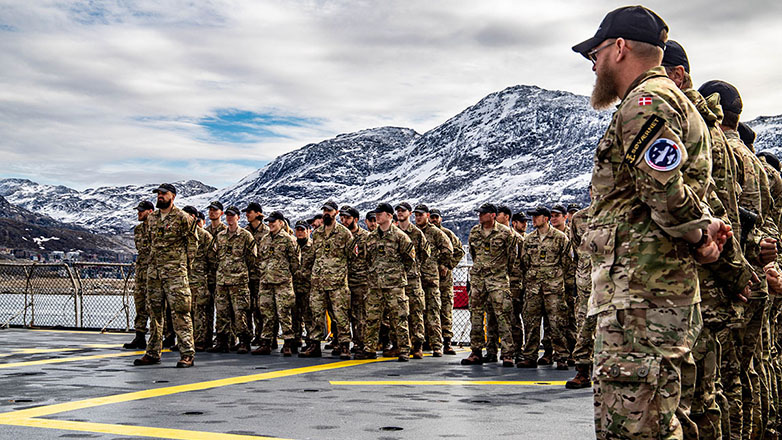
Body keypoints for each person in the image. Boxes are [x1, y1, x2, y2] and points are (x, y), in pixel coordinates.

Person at [572, 6, 731, 437]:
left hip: (641, 297)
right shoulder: (668, 101)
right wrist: (701, 229)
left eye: (596, 53)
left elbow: (664, 190)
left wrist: (698, 235)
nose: (593, 64)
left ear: (620, 47)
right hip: (655, 294)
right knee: (663, 419)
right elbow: (674, 186)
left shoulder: (646, 103)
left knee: (636, 427)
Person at [133, 183, 198, 368]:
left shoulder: (183, 218)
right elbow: (148, 243)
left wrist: (184, 266)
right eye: (158, 194)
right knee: (155, 314)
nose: (160, 196)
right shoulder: (152, 218)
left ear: (173, 196)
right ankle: (153, 352)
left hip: (175, 274)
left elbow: (193, 244)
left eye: (164, 193)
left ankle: (187, 353)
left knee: (181, 313)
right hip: (154, 273)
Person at [355, 202, 415, 362]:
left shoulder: (400, 236)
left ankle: (404, 349)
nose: (377, 216)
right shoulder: (371, 238)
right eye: (376, 213)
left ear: (389, 215)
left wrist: (396, 274)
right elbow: (367, 258)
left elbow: (409, 260)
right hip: (375, 285)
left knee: (399, 318)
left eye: (380, 213)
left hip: (394, 285)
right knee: (372, 318)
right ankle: (370, 349)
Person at [517, 205, 571, 370]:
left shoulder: (560, 238)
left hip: (554, 288)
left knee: (557, 323)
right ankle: (530, 356)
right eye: (533, 216)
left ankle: (561, 356)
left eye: (537, 216)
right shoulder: (529, 240)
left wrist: (558, 279)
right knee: (531, 323)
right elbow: (524, 262)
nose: (533, 219)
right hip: (533, 288)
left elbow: (567, 262)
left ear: (545, 219)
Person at [462, 203, 517, 367]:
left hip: (497, 280)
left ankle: (507, 353)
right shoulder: (474, 232)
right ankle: (476, 351)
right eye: (479, 213)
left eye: (483, 213)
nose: (480, 216)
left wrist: (500, 271)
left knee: (503, 316)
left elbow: (512, 257)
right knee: (476, 316)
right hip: (478, 280)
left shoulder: (505, 233)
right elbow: (473, 253)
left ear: (493, 215)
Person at [299, 201, 353, 358]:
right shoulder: (317, 234)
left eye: (329, 211)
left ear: (336, 212)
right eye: (324, 211)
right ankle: (315, 345)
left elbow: (352, 258)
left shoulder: (344, 234)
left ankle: (344, 345)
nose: (326, 214)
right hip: (318, 282)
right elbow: (311, 257)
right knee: (316, 314)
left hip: (337, 283)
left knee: (340, 316)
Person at [209, 206, 256, 354]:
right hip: (222, 281)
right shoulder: (220, 236)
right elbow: (214, 256)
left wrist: (242, 272)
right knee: (222, 312)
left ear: (238, 217)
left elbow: (252, 259)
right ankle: (222, 341)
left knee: (240, 313)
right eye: (228, 215)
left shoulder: (245, 236)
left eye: (232, 215)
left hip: (239, 281)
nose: (229, 218)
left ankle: (244, 341)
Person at [254, 211, 300, 356]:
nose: (270, 224)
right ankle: (266, 342)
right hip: (266, 283)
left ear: (281, 222)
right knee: (267, 314)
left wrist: (286, 276)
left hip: (282, 283)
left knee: (284, 313)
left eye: (273, 221)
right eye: (269, 221)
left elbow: (295, 262)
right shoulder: (265, 239)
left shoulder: (288, 240)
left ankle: (288, 343)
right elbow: (260, 258)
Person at [414, 204, 454, 357]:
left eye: (421, 215)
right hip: (417, 279)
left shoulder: (436, 233)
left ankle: (438, 345)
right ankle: (420, 343)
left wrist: (443, 265)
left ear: (427, 216)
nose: (418, 217)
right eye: (416, 215)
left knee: (434, 312)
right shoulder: (414, 232)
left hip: (431, 279)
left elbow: (449, 249)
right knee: (418, 313)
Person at [395, 202, 429, 359]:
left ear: (409, 213)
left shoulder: (416, 233)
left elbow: (425, 253)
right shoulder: (393, 232)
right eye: (398, 211)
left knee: (416, 312)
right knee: (399, 314)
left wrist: (414, 267)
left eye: (403, 211)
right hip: (397, 280)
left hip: (412, 279)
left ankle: (417, 345)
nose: (400, 213)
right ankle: (401, 344)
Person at [430, 208, 465, 355]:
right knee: (429, 310)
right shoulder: (424, 233)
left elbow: (459, 251)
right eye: (432, 217)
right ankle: (430, 341)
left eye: (436, 217)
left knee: (445, 310)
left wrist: (447, 265)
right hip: (428, 278)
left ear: (440, 219)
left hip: (444, 280)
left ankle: (447, 342)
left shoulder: (447, 234)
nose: (434, 220)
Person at [182, 206, 213, 353]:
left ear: (193, 217)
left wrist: (207, 277)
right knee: (185, 312)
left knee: (200, 312)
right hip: (184, 279)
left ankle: (201, 341)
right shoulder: (181, 235)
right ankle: (186, 341)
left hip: (200, 280)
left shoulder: (204, 236)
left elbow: (213, 259)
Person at [124, 200, 154, 350]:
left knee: (154, 306)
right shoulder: (138, 230)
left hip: (154, 271)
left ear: (150, 211)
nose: (139, 213)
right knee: (140, 304)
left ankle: (159, 337)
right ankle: (140, 335)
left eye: (142, 211)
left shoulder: (157, 227)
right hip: (142, 271)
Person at [340, 205, 370, 353]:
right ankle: (342, 342)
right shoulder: (340, 235)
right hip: (341, 281)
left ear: (356, 219)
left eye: (348, 218)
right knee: (342, 314)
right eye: (342, 218)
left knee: (359, 315)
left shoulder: (365, 237)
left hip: (359, 281)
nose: (344, 221)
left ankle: (360, 343)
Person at [244, 202, 270, 346]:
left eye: (250, 212)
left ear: (258, 214)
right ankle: (248, 335)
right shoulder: (245, 232)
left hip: (262, 275)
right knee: (247, 307)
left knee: (262, 308)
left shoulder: (267, 232)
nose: (247, 214)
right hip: (247, 275)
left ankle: (263, 335)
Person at [204, 200, 227, 348]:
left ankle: (223, 339)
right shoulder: (206, 232)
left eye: (215, 210)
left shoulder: (226, 231)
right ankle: (205, 337)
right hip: (208, 276)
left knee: (222, 310)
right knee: (206, 309)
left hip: (222, 275)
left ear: (221, 213)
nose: (212, 212)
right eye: (210, 210)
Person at [293, 220, 313, 350]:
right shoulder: (292, 246)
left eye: (302, 230)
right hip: (294, 285)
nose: (300, 233)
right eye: (298, 230)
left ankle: (311, 341)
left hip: (308, 286)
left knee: (308, 315)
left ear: (308, 231)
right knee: (294, 315)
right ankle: (296, 339)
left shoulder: (313, 247)